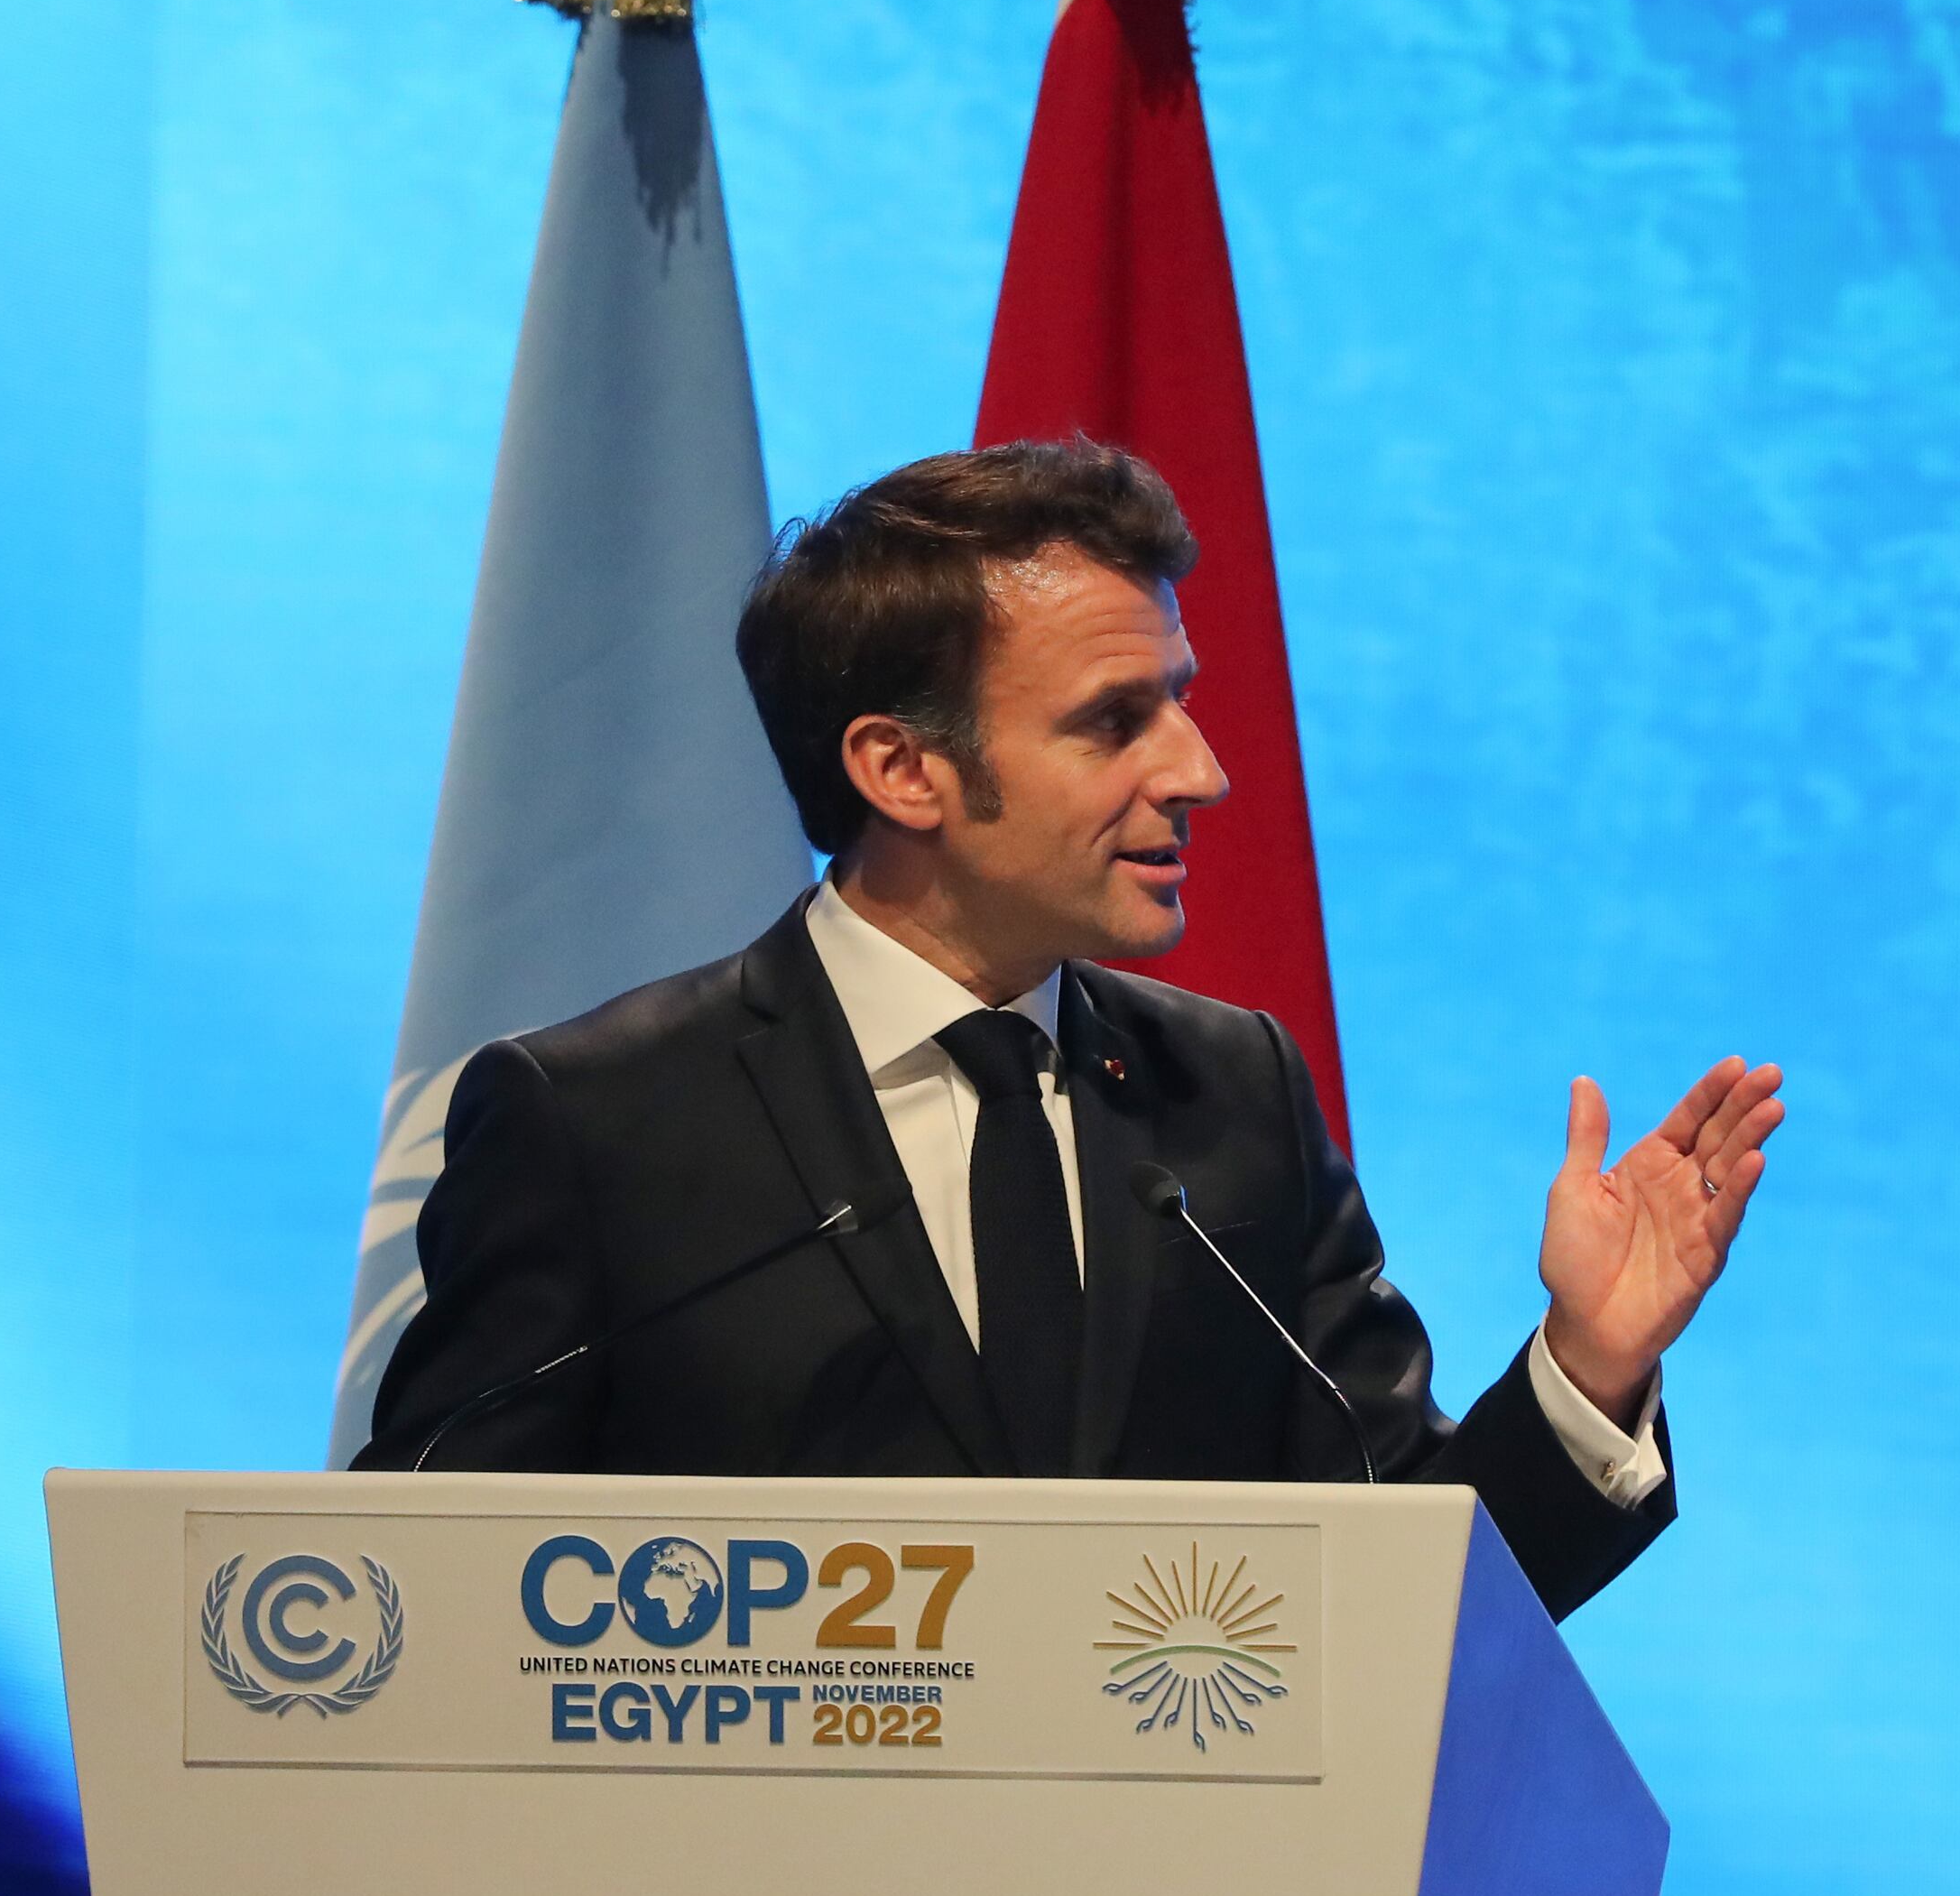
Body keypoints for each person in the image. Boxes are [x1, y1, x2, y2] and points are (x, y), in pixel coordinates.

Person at [358, 440, 1782, 1618]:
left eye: (1182, 703)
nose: (1201, 771)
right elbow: (426, 1592)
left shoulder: (1231, 1094)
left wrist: (1590, 1360)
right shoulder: (601, 1118)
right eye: (1115, 722)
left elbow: (1415, 1598)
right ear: (902, 767)